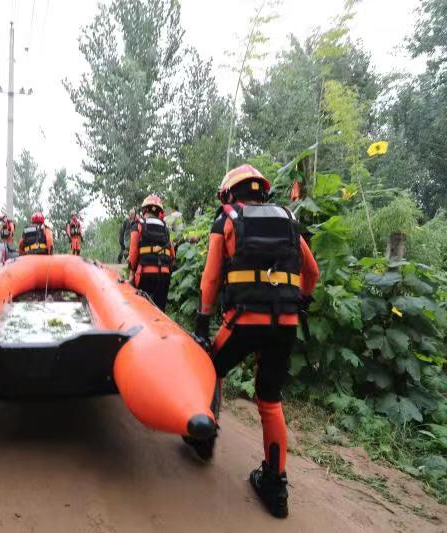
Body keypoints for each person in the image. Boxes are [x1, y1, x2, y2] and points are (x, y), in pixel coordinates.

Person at [194, 164, 320, 519]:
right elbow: (312, 274)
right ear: (262, 192)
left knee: (210, 367)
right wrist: (301, 302)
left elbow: (211, 277)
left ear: (229, 194)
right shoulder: (287, 219)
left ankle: (204, 439)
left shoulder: (227, 220)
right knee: (269, 400)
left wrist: (203, 324)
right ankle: (276, 485)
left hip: (244, 320)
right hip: (285, 323)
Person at [128, 195, 175, 311]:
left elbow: (133, 255)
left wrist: (131, 275)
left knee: (142, 311)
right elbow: (172, 255)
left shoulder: (138, 225)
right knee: (160, 311)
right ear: (159, 212)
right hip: (164, 276)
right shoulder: (165, 228)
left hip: (144, 276)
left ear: (144, 210)